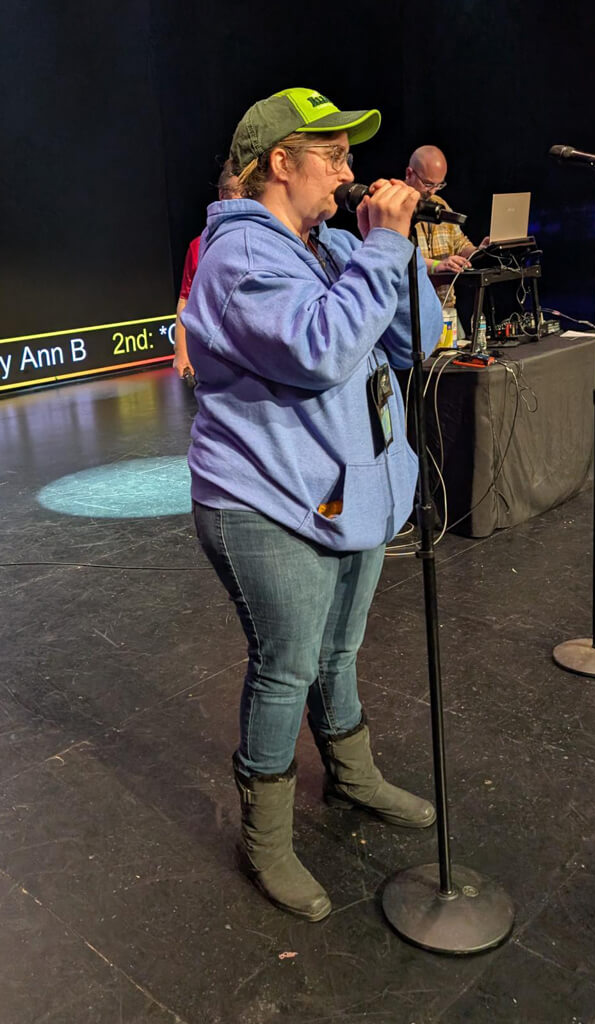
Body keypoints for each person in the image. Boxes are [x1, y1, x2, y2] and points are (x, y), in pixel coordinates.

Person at [181, 87, 442, 922]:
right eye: (331, 155)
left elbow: (417, 338)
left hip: (344, 490)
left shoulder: (332, 246)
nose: (347, 169)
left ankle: (353, 777)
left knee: (340, 649)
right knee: (287, 665)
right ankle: (265, 840)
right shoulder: (236, 258)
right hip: (264, 500)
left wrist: (393, 251)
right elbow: (321, 350)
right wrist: (382, 247)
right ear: (280, 163)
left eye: (348, 155)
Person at [172, 161, 240, 379]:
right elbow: (185, 300)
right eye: (236, 193)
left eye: (248, 195)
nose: (241, 201)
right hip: (215, 358)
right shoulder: (199, 246)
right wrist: (181, 352)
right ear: (222, 196)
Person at [405, 145, 487, 314]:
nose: (432, 191)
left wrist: (481, 251)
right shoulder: (393, 208)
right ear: (409, 173)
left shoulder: (440, 204)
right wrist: (437, 265)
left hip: (444, 308)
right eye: (428, 184)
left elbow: (460, 244)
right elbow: (399, 260)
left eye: (439, 185)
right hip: (411, 311)